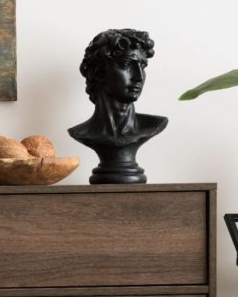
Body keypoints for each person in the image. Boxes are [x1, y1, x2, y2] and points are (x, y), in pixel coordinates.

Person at [68, 29, 167, 183]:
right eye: (127, 64)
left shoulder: (154, 125)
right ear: (100, 72)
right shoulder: (82, 132)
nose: (139, 77)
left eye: (142, 66)